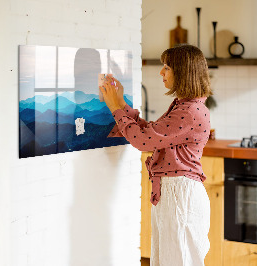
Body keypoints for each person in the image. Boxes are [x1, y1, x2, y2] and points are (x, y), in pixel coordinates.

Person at [100, 44, 212, 266]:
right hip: (175, 193)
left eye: (167, 67)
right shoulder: (185, 106)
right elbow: (151, 133)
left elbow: (143, 141)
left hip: (180, 195)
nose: (161, 72)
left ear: (183, 72)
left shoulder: (189, 111)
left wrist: (115, 107)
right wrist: (121, 103)